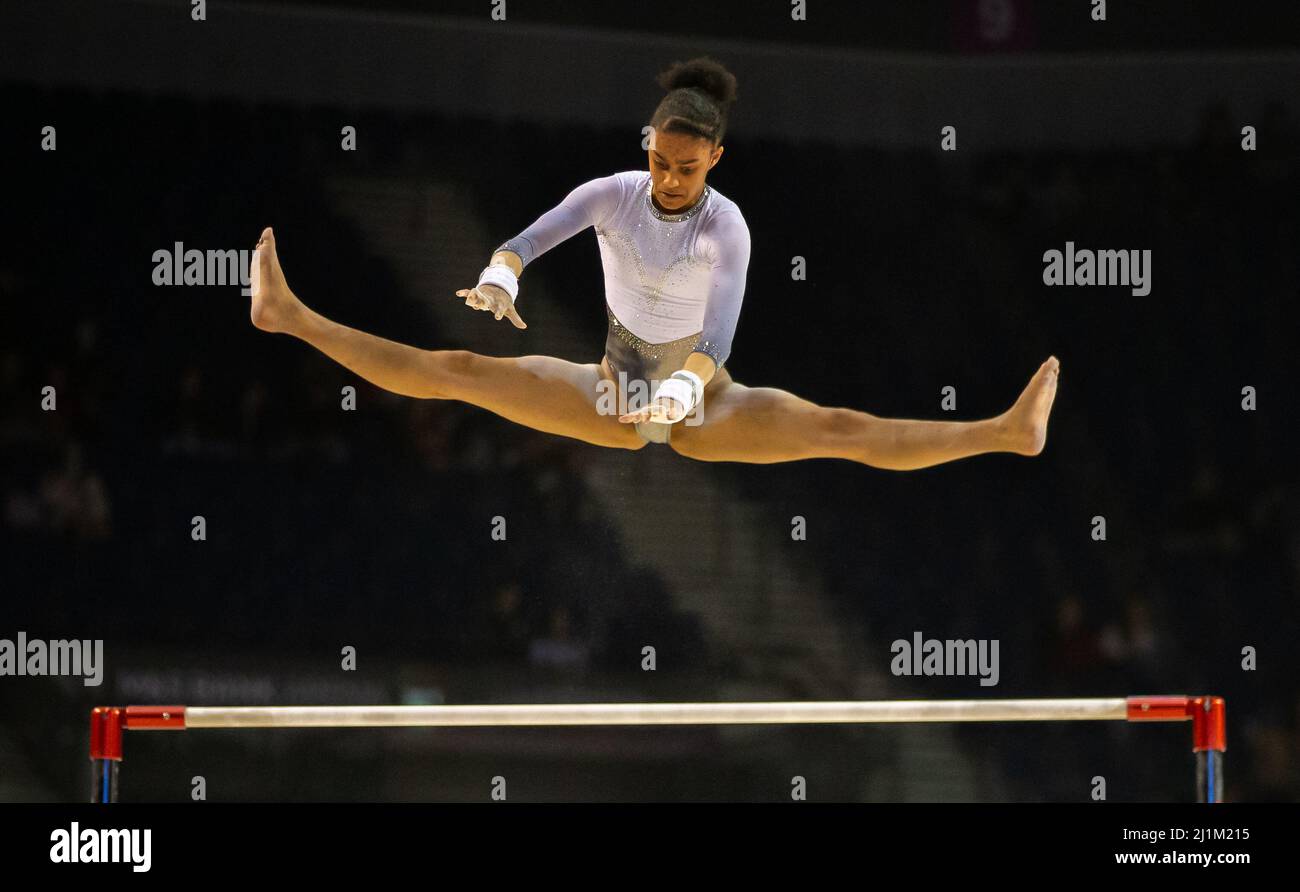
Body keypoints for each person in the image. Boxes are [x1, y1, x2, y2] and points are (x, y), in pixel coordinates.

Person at [248, 56, 1058, 469]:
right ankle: (289, 315)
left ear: (715, 159)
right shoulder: (612, 194)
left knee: (841, 429)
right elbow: (528, 240)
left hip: (706, 405)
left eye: (688, 168)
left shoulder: (725, 228)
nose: (671, 180)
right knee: (457, 366)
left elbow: (721, 332)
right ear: (649, 145)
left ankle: (1003, 433)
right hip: (609, 393)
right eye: (662, 161)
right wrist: (502, 273)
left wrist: (683, 383)